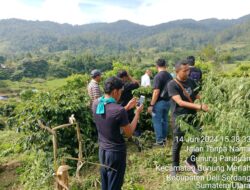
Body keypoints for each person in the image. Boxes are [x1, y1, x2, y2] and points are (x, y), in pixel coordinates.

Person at [92, 76, 143, 190]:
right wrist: (137, 113)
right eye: (120, 91)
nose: (120, 94)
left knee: (105, 183)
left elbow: (109, 117)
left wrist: (126, 107)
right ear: (115, 91)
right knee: (115, 185)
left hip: (102, 150)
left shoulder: (96, 103)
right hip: (115, 153)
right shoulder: (118, 110)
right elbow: (129, 133)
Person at [167, 59, 209, 176]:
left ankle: (191, 160)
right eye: (185, 71)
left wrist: (208, 99)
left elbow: (196, 94)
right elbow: (179, 102)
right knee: (178, 142)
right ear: (177, 71)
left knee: (202, 140)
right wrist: (199, 106)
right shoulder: (172, 84)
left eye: (188, 70)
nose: (188, 73)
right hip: (179, 118)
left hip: (192, 116)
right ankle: (175, 167)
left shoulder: (191, 81)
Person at [148, 59, 173, 146]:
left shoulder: (158, 76)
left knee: (157, 121)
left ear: (156, 66)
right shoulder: (170, 76)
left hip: (159, 102)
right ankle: (164, 139)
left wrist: (151, 105)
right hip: (168, 101)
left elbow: (156, 92)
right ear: (165, 65)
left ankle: (159, 141)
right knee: (165, 120)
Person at [117, 70, 141, 135]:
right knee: (132, 121)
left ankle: (124, 134)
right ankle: (135, 134)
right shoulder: (126, 85)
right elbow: (137, 84)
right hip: (128, 107)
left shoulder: (115, 85)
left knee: (121, 123)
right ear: (124, 77)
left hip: (118, 107)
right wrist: (130, 76)